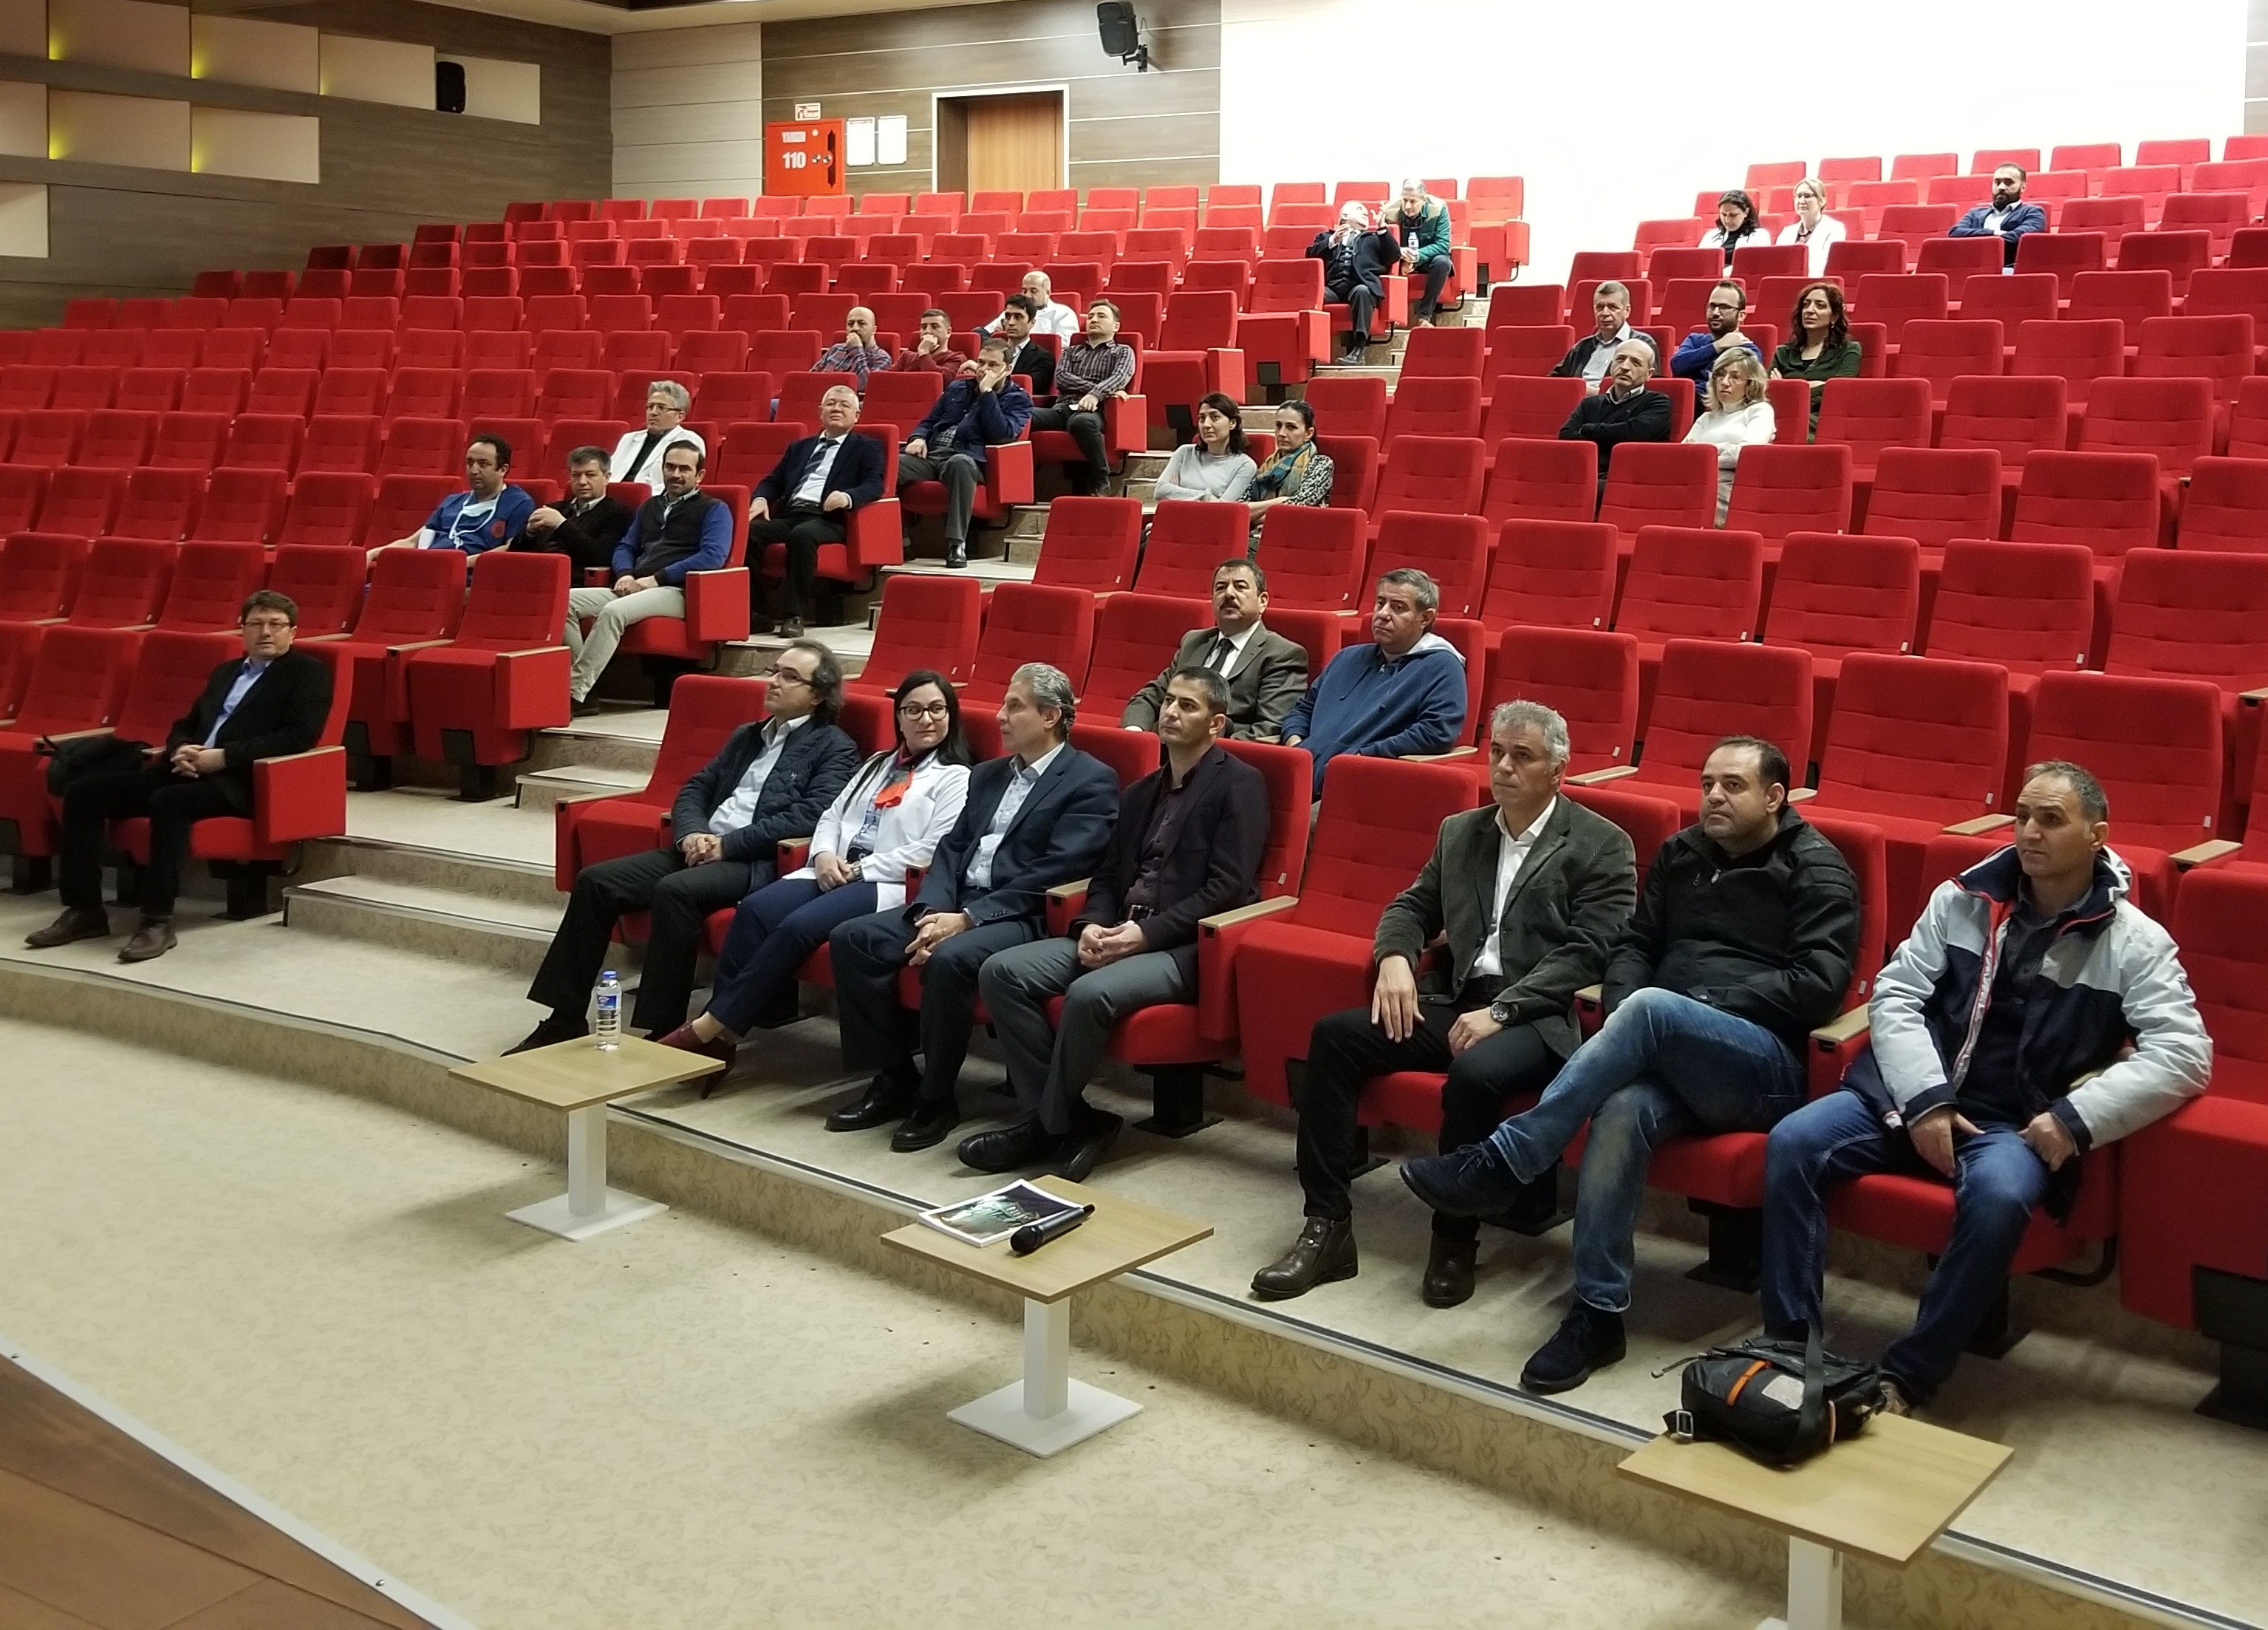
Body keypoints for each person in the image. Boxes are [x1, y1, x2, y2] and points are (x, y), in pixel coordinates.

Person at [1400, 737, 1859, 1396]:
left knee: (1652, 1008)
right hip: (1664, 1048)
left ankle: (1507, 1159)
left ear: (1775, 797)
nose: (1714, 797)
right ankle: (1598, 1313)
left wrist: (1686, 1008)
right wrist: (1628, 1015)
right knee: (1621, 1110)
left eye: (1733, 786)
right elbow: (1635, 945)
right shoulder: (1683, 853)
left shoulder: (1816, 869)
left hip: (1762, 1069)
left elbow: (1818, 987)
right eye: (1707, 784)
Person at [1759, 763, 2210, 1416]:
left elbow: (2185, 1054)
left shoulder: (2135, 942)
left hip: (2016, 1124)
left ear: (2097, 836)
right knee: (1794, 1142)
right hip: (1910, 1097)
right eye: (2022, 816)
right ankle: (1788, 1348)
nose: (2029, 832)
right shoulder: (1962, 898)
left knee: (1999, 1197)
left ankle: (1908, 1377)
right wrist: (1926, 1101)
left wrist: (2073, 1118)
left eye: (2051, 820)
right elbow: (1897, 996)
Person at [1251, 701, 1639, 1305]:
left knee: (1475, 1073)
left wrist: (1504, 1011)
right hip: (1458, 998)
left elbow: (1589, 953)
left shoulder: (1601, 844)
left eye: (1522, 756)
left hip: (1539, 1016)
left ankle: (1454, 1241)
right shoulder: (1462, 832)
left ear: (1558, 770)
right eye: (1498, 753)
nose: (1504, 767)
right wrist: (1395, 958)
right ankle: (1327, 1226)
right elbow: (1411, 906)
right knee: (1336, 1037)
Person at [969, 666, 1270, 1181]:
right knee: (1002, 972)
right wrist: (1091, 923)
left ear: (1217, 723)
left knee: (1089, 994)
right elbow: (1107, 876)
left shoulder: (1239, 785)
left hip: (1181, 948)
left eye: (1188, 706)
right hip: (1118, 929)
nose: (1170, 712)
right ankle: (1075, 1121)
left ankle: (1043, 1126)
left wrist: (1144, 935)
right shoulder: (1141, 791)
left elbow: (1228, 889)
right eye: (1168, 701)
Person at [822, 664, 1118, 1150]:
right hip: (956, 903)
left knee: (950, 958)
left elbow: (1058, 870)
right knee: (854, 939)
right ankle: (895, 1078)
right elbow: (952, 849)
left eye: (1014, 706)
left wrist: (968, 920)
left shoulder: (1090, 780)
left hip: (1022, 916)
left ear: (1050, 716)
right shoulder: (987, 775)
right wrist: (931, 910)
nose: (999, 716)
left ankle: (936, 1098)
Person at [513, 641, 860, 1051]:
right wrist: (692, 833)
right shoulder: (748, 735)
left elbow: (811, 816)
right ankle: (564, 1018)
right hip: (701, 845)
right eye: (774, 671)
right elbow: (697, 787)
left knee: (675, 891)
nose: (774, 682)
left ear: (818, 695)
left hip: (755, 861)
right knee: (595, 882)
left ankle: (662, 1029)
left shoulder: (835, 746)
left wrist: (726, 845)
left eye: (789, 677)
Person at [652, 671, 974, 1068]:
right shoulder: (877, 764)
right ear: (899, 717)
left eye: (937, 709)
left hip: (885, 881)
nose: (926, 719)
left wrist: (859, 869)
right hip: (830, 868)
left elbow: (933, 848)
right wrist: (822, 854)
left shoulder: (957, 777)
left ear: (951, 716)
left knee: (797, 926)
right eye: (914, 710)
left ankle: (712, 1029)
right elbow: (832, 816)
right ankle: (721, 1039)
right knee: (753, 910)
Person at [26, 591, 333, 965]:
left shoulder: (308, 674)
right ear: (242, 629)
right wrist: (180, 750)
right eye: (256, 624)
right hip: (189, 769)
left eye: (275, 625)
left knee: (169, 801)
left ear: (293, 632)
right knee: (83, 792)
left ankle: (156, 920)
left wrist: (223, 758)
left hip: (243, 782)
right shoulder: (226, 672)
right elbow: (187, 723)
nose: (265, 632)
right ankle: (85, 910)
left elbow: (299, 736)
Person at [564, 443, 734, 708]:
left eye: (684, 469)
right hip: (637, 584)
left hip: (677, 590)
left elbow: (713, 556)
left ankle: (574, 692)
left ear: (699, 475)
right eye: (670, 467)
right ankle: (585, 688)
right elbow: (626, 546)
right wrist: (625, 574)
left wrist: (658, 578)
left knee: (613, 612)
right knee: (563, 603)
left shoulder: (715, 509)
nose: (675, 474)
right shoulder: (650, 507)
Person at [1281, 569, 1467, 802]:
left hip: (1359, 789)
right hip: (1298, 777)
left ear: (1425, 618)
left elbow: (1436, 732)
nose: (1383, 614)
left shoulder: (1442, 666)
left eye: (1398, 607)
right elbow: (1303, 709)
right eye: (1380, 603)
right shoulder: (1348, 657)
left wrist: (1362, 757)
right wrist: (1296, 745)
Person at [748, 383, 888, 638]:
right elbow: (773, 480)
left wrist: (847, 497)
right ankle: (756, 613)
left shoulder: (867, 447)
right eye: (831, 404)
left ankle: (794, 615)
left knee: (803, 535)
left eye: (845, 405)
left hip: (829, 519)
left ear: (856, 416)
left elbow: (874, 485)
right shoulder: (800, 447)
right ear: (820, 412)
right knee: (748, 534)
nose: (837, 408)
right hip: (792, 514)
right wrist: (760, 498)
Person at [1121, 557, 1308, 742]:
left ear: (1263, 601)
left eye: (1240, 587)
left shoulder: (1282, 654)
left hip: (1224, 754)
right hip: (1167, 746)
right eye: (1221, 587)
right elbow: (1150, 697)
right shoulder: (1194, 642)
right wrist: (1135, 734)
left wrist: (1200, 745)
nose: (1229, 594)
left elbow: (1269, 729)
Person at [897, 335, 1033, 570]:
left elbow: (1002, 434)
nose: (984, 369)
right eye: (981, 363)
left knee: (959, 463)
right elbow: (929, 421)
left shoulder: (1018, 399)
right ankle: (900, 539)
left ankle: (956, 544)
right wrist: (918, 438)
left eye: (992, 365)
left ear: (1008, 369)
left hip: (970, 460)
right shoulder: (958, 387)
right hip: (933, 454)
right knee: (891, 465)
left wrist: (987, 392)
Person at [1026, 299, 1136, 497]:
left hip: (1096, 411)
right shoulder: (1071, 351)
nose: (1094, 319)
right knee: (1023, 415)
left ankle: (1101, 478)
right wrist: (1096, 390)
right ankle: (1020, 482)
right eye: (1091, 316)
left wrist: (1096, 396)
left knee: (1082, 423)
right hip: (1062, 409)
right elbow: (1062, 378)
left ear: (1116, 326)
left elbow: (1120, 377)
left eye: (1101, 316)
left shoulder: (1123, 351)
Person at [378, 434, 533, 557]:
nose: (474, 470)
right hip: (429, 567)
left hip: (470, 576)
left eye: (483, 464)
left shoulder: (518, 503)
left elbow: (510, 550)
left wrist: (461, 563)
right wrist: (372, 554)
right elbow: (412, 542)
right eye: (470, 463)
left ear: (503, 470)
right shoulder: (452, 502)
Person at [1560, 338, 1671, 498]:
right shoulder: (1590, 403)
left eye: (1635, 363)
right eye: (1620, 359)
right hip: (1585, 472)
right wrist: (1611, 437)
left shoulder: (1659, 402)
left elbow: (1634, 434)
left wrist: (1587, 429)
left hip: (1629, 479)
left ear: (1649, 374)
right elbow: (1566, 435)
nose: (1625, 367)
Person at [1686, 349, 1776, 523]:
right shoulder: (1706, 418)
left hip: (1732, 484)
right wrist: (1725, 447)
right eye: (1720, 375)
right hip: (1694, 480)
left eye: (1735, 377)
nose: (1725, 382)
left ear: (1750, 384)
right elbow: (1683, 457)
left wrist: (1704, 454)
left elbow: (1745, 454)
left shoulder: (1760, 411)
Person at [515, 444, 634, 576]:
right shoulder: (554, 508)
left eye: (590, 475)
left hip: (576, 580)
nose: (582, 482)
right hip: (535, 574)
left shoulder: (619, 514)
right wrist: (530, 534)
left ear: (606, 477)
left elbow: (600, 558)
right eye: (576, 475)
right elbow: (516, 553)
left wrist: (561, 524)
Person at [1308, 202, 1401, 364]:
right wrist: (1333, 241)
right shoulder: (1325, 237)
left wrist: (1382, 228)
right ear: (1344, 216)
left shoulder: (1374, 238)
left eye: (1365, 211)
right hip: (1332, 288)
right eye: (1359, 209)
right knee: (1311, 295)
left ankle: (1358, 351)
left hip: (1360, 285)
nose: (1365, 212)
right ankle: (1313, 350)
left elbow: (1393, 256)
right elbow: (1310, 258)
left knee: (1362, 291)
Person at [1770, 283, 1862, 437]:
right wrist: (1820, 386)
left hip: (1823, 421)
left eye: (1820, 306)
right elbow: (1768, 393)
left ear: (1834, 316)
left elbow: (1839, 393)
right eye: (1806, 305)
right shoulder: (1783, 353)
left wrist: (1788, 389)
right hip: (1781, 418)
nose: (1810, 310)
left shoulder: (1849, 350)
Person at [1245, 399, 1335, 544]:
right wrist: (1280, 501)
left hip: (1298, 538)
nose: (1281, 433)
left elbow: (1296, 507)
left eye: (1291, 427)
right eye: (1278, 426)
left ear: (1308, 433)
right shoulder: (1267, 467)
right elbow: (1240, 509)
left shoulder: (1321, 464)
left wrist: (1254, 516)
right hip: (1254, 536)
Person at [1670, 281, 1764, 411]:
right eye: (1712, 306)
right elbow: (1677, 365)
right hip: (1682, 405)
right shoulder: (1695, 340)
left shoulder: (1748, 350)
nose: (1715, 312)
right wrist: (1718, 346)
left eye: (1724, 307)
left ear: (1741, 315)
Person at [1153, 393, 1256, 502]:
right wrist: (1206, 497)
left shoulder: (1245, 465)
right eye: (1202, 418)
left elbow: (1222, 508)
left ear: (1232, 423)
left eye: (1215, 417)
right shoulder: (1184, 453)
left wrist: (1178, 493)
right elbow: (1160, 490)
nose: (1206, 425)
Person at [1384, 179, 1455, 326]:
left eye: (1413, 201)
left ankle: (1424, 316)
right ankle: (1391, 316)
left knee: (1443, 263)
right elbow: (1383, 243)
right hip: (1400, 258)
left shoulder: (1438, 209)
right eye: (1404, 200)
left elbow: (1443, 245)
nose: (1407, 206)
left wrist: (1416, 257)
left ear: (1423, 200)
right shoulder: (1390, 211)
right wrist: (1400, 255)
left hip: (1427, 258)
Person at [1950, 165, 2048, 269]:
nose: (2001, 187)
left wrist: (1976, 239)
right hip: (1972, 267)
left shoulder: (2033, 212)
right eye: (1997, 183)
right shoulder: (1975, 213)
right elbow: (1955, 232)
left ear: (2023, 187)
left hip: (2010, 268)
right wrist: (1994, 232)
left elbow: (2020, 237)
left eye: (2008, 183)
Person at [610, 381, 704, 489]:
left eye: (661, 408)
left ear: (680, 416)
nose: (653, 412)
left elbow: (681, 483)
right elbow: (609, 474)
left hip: (655, 497)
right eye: (650, 407)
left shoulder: (689, 440)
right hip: (614, 494)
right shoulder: (629, 439)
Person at [1551, 282, 1640, 389]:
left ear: (1627, 311)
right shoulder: (1583, 346)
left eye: (1613, 307)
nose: (1605, 313)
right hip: (1577, 398)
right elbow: (1555, 380)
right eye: (1600, 307)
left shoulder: (1642, 345)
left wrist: (1591, 393)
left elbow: (1647, 389)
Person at [1775, 178, 1846, 278]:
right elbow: (1779, 267)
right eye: (1799, 196)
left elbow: (1826, 266)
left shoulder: (1835, 229)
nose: (1801, 201)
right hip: (1788, 282)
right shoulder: (1786, 232)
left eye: (1807, 196)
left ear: (1822, 201)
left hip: (1819, 283)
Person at [990, 296, 1058, 398]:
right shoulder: (990, 352)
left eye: (1018, 317)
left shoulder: (1043, 358)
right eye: (1008, 317)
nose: (1011, 323)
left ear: (1032, 323)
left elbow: (1028, 388)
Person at [983, 270, 1079, 340]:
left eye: (1033, 291)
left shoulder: (1063, 313)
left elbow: (1066, 341)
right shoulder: (1013, 311)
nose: (1027, 295)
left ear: (1047, 293)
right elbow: (987, 332)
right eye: (1024, 291)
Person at [810, 307, 891, 389]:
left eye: (862, 324)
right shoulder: (836, 349)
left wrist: (856, 350)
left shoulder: (882, 358)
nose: (855, 328)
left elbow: (866, 387)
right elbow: (810, 379)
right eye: (850, 324)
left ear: (874, 330)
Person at [891, 308, 968, 377]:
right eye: (924, 327)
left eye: (934, 327)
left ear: (948, 332)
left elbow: (939, 380)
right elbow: (887, 379)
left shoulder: (956, 358)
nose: (927, 331)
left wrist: (924, 352)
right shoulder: (906, 356)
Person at [1698, 189, 1765, 269]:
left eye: (1733, 215)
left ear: (1746, 212)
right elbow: (1700, 264)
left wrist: (1731, 270)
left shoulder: (1760, 235)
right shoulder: (1710, 236)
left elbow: (1758, 266)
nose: (1727, 220)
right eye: (1724, 214)